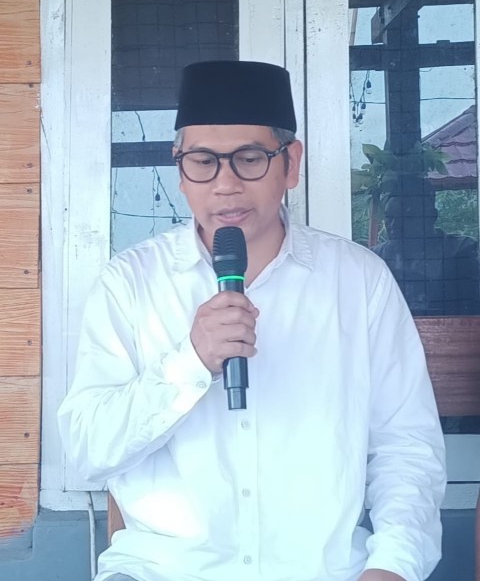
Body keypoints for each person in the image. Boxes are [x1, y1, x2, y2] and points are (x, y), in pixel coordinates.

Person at [58, 60, 446, 581]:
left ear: (291, 164)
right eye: (203, 161)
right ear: (180, 170)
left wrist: (393, 566)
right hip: (163, 571)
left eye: (249, 159)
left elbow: (407, 447)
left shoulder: (358, 281)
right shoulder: (129, 284)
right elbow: (86, 451)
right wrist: (190, 362)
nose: (225, 185)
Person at [372, 193, 480, 316]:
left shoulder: (461, 250)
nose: (394, 225)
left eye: (406, 216)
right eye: (389, 218)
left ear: (431, 216)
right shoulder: (376, 257)